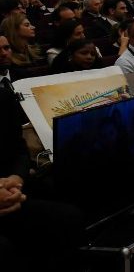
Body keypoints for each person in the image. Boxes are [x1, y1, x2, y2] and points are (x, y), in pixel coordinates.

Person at [0, 34, 85, 270]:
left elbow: (19, 149)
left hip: (10, 191)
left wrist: (16, 179)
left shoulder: (3, 97)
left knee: (69, 217)